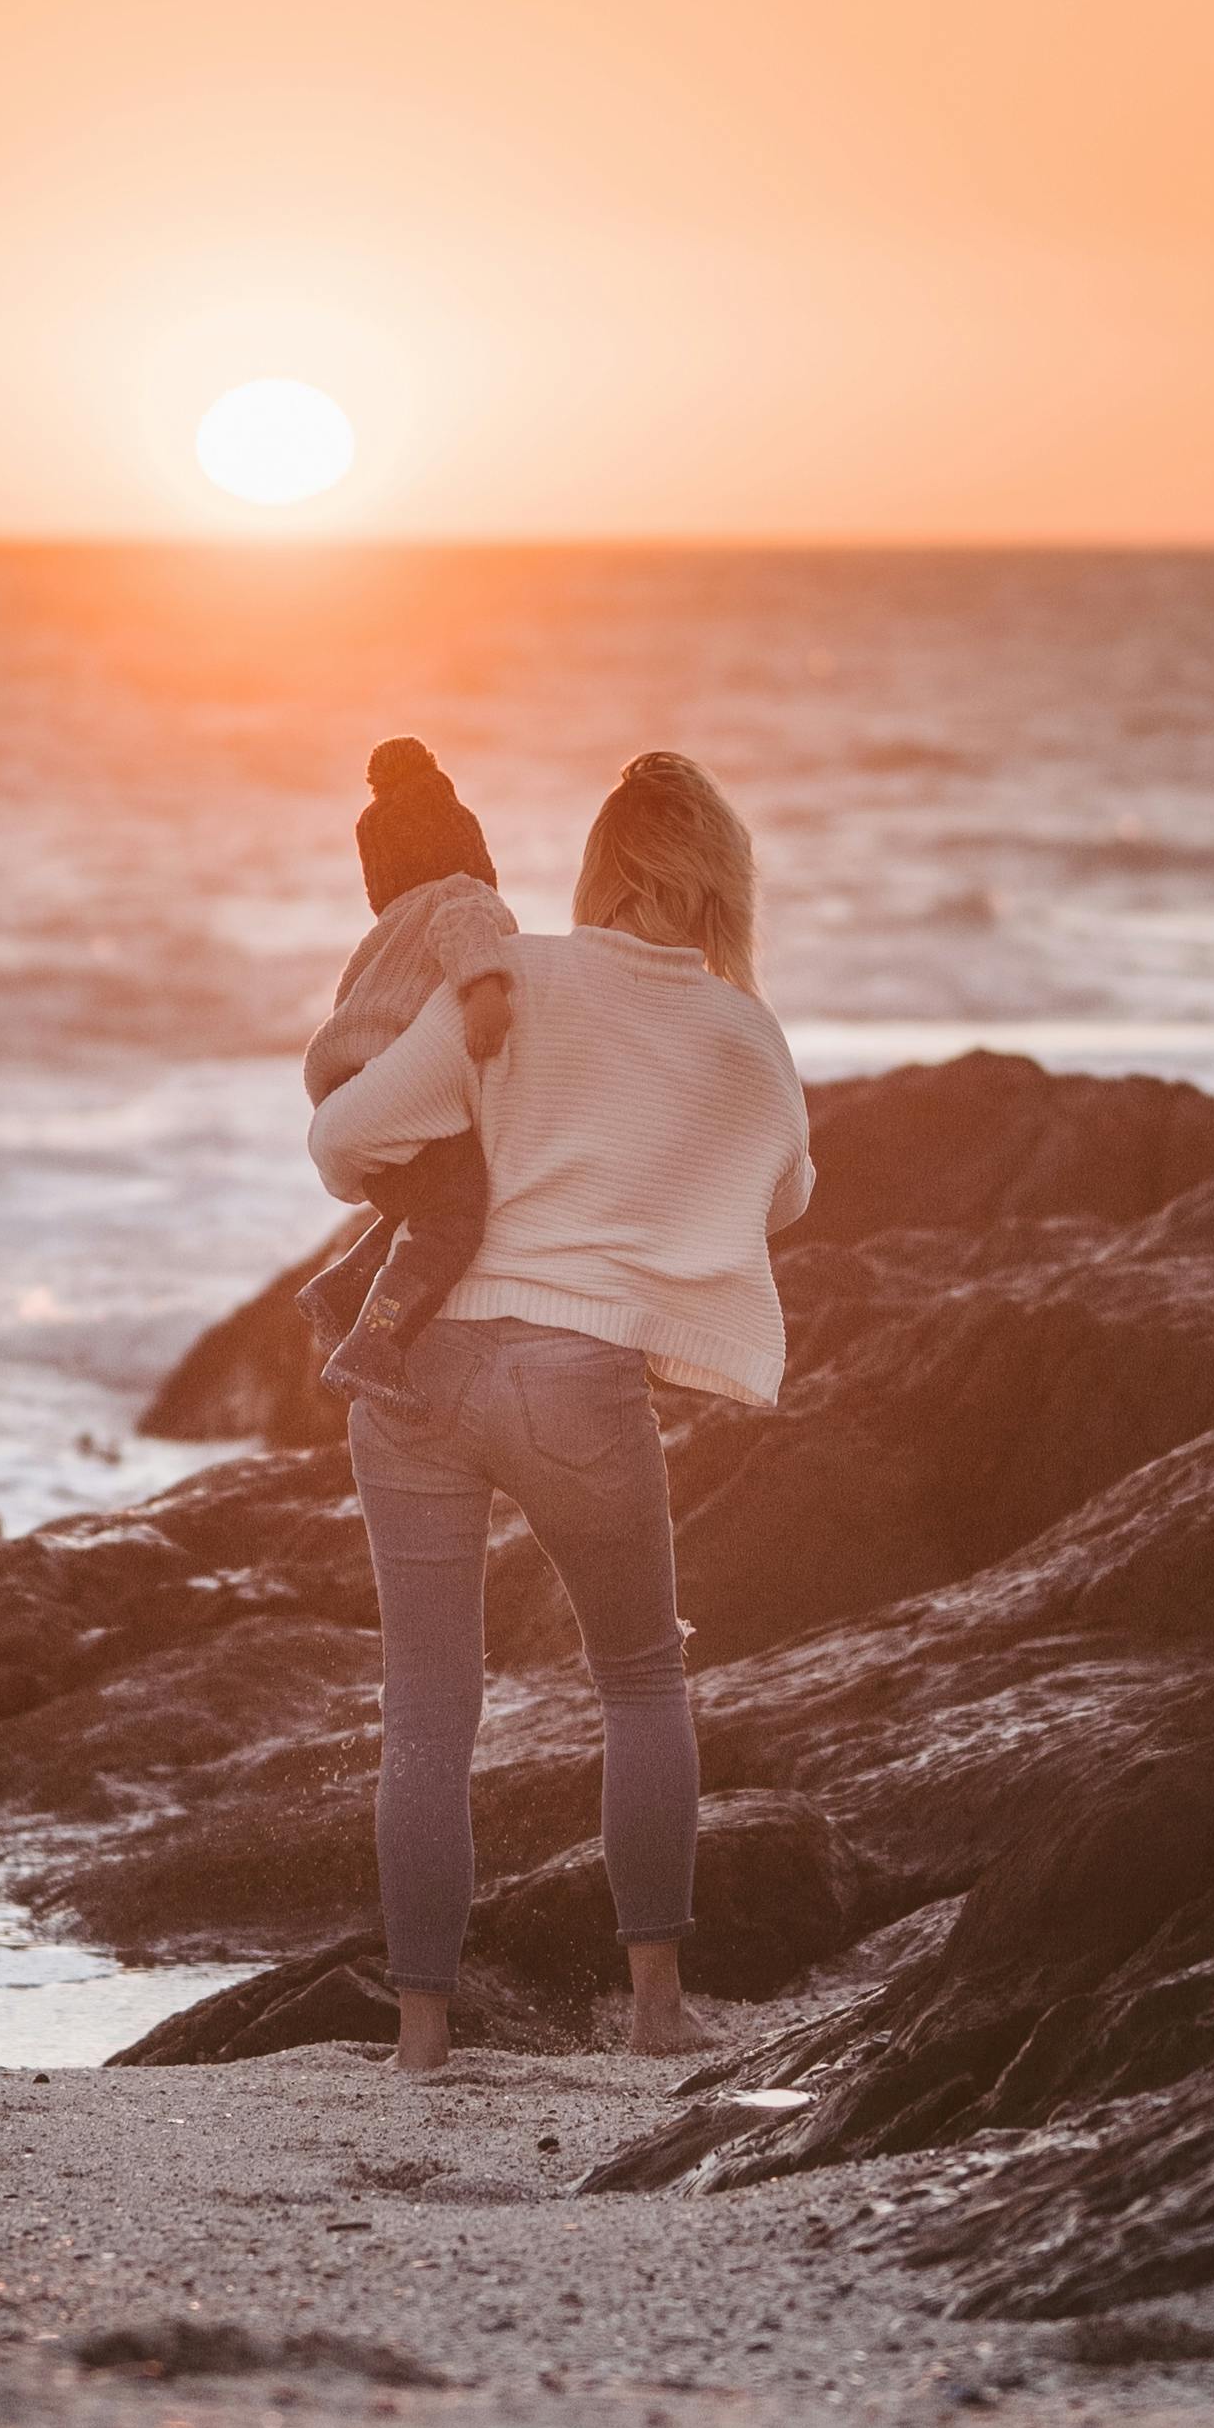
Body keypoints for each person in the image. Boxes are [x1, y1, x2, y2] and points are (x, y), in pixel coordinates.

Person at [305, 748, 811, 2073]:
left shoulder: (512, 973)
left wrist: (454, 1173)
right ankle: (652, 2010)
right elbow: (786, 1197)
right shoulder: (734, 1029)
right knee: (640, 1679)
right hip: (572, 1381)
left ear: (602, 869)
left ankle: (419, 2034)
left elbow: (340, 1142)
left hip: (412, 1367)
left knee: (424, 1711)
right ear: (712, 889)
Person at [299, 737, 521, 1410]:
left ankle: (338, 1289)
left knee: (423, 1202)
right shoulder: (464, 896)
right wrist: (486, 991)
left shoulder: (387, 928)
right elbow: (465, 928)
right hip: (397, 1079)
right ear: (470, 849)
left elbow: (352, 1005)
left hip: (349, 1083)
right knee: (455, 1217)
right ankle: (376, 1345)